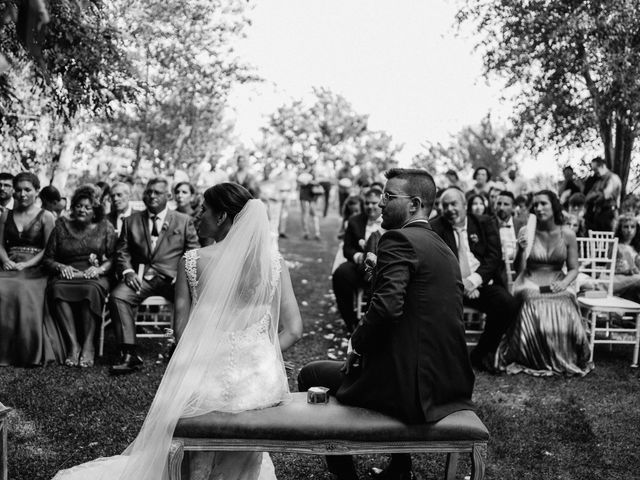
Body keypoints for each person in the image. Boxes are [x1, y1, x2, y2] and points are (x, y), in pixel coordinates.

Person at [53, 183, 303, 480]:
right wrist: (260, 357)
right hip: (258, 385)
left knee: (189, 431)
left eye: (204, 209)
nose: (199, 216)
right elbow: (294, 330)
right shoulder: (274, 264)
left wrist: (213, 359)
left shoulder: (192, 261)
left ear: (222, 216)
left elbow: (182, 330)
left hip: (204, 378)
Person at [299, 169, 474, 480]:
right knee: (389, 360)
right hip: (450, 382)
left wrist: (357, 344)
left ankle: (346, 477)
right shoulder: (443, 248)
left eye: (389, 196)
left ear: (415, 204)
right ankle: (400, 468)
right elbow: (417, 310)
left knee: (310, 374)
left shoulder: (397, 239)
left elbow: (387, 309)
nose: (379, 203)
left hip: (411, 390)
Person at [108, 177, 200, 375]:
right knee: (118, 297)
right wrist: (128, 271)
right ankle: (129, 354)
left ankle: (181, 348)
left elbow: (194, 253)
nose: (151, 196)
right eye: (148, 192)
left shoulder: (183, 221)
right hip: (142, 278)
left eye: (157, 192)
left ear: (167, 196)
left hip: (175, 280)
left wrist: (183, 274)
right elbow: (122, 252)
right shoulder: (130, 221)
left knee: (194, 296)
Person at [497, 190, 593, 376]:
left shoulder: (568, 234)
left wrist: (565, 283)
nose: (538, 208)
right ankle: (529, 355)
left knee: (566, 299)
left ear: (554, 206)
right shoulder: (527, 231)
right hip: (529, 277)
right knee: (531, 298)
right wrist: (521, 250)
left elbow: (573, 269)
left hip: (557, 278)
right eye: (536, 205)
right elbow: (519, 269)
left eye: (543, 203)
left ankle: (566, 355)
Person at [431, 187, 519, 372]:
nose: (449, 209)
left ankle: (481, 354)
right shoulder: (435, 227)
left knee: (507, 304)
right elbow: (436, 263)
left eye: (453, 204)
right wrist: (461, 283)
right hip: (449, 287)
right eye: (444, 206)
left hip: (481, 283)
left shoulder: (484, 223)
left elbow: (493, 257)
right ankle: (445, 359)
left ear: (464, 205)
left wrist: (473, 281)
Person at [43, 185, 117, 368]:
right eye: (78, 206)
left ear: (95, 211)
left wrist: (100, 270)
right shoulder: (61, 224)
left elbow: (115, 257)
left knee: (90, 289)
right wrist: (60, 267)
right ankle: (73, 345)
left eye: (87, 207)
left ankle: (88, 345)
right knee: (57, 288)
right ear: (73, 206)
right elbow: (48, 258)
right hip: (67, 274)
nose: (82, 210)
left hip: (94, 274)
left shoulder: (105, 226)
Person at [0, 172, 64, 366]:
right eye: (18, 190)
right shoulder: (6, 214)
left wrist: (26, 264)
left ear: (37, 191)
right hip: (9, 264)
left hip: (36, 268)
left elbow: (49, 249)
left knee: (21, 289)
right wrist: (4, 260)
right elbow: (0, 244)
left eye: (27, 190)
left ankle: (25, 351)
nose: (22, 194)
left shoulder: (46, 216)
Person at [332, 187, 382, 332]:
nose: (370, 206)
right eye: (367, 203)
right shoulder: (355, 221)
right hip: (359, 266)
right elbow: (347, 248)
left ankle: (372, 323)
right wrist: (358, 256)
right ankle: (351, 322)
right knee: (340, 274)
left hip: (381, 268)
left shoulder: (389, 222)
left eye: (374, 203)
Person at [585, 157, 622, 232]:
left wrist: (596, 194)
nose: (595, 172)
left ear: (603, 166)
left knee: (609, 240)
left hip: (610, 214)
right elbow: (588, 197)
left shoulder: (613, 178)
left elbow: (605, 196)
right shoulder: (598, 181)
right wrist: (598, 194)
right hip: (598, 214)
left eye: (596, 169)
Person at [613, 215, 640, 302]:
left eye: (632, 227)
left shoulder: (636, 247)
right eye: (625, 227)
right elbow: (609, 268)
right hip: (620, 280)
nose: (629, 230)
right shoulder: (616, 246)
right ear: (620, 229)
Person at [297, 169, 322, 240]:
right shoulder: (304, 178)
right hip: (305, 199)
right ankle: (306, 232)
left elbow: (318, 188)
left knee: (313, 216)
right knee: (306, 215)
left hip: (311, 199)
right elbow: (301, 183)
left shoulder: (313, 180)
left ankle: (316, 232)